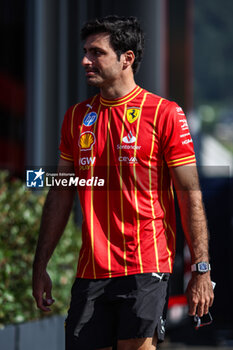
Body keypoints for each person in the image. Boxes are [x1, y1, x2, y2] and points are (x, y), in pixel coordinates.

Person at [32, 15, 214, 350]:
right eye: (85, 51)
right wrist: (40, 264)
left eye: (97, 52)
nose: (86, 60)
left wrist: (201, 270)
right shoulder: (75, 118)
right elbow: (60, 194)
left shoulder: (165, 113)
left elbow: (190, 195)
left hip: (145, 266)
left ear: (126, 58)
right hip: (91, 272)